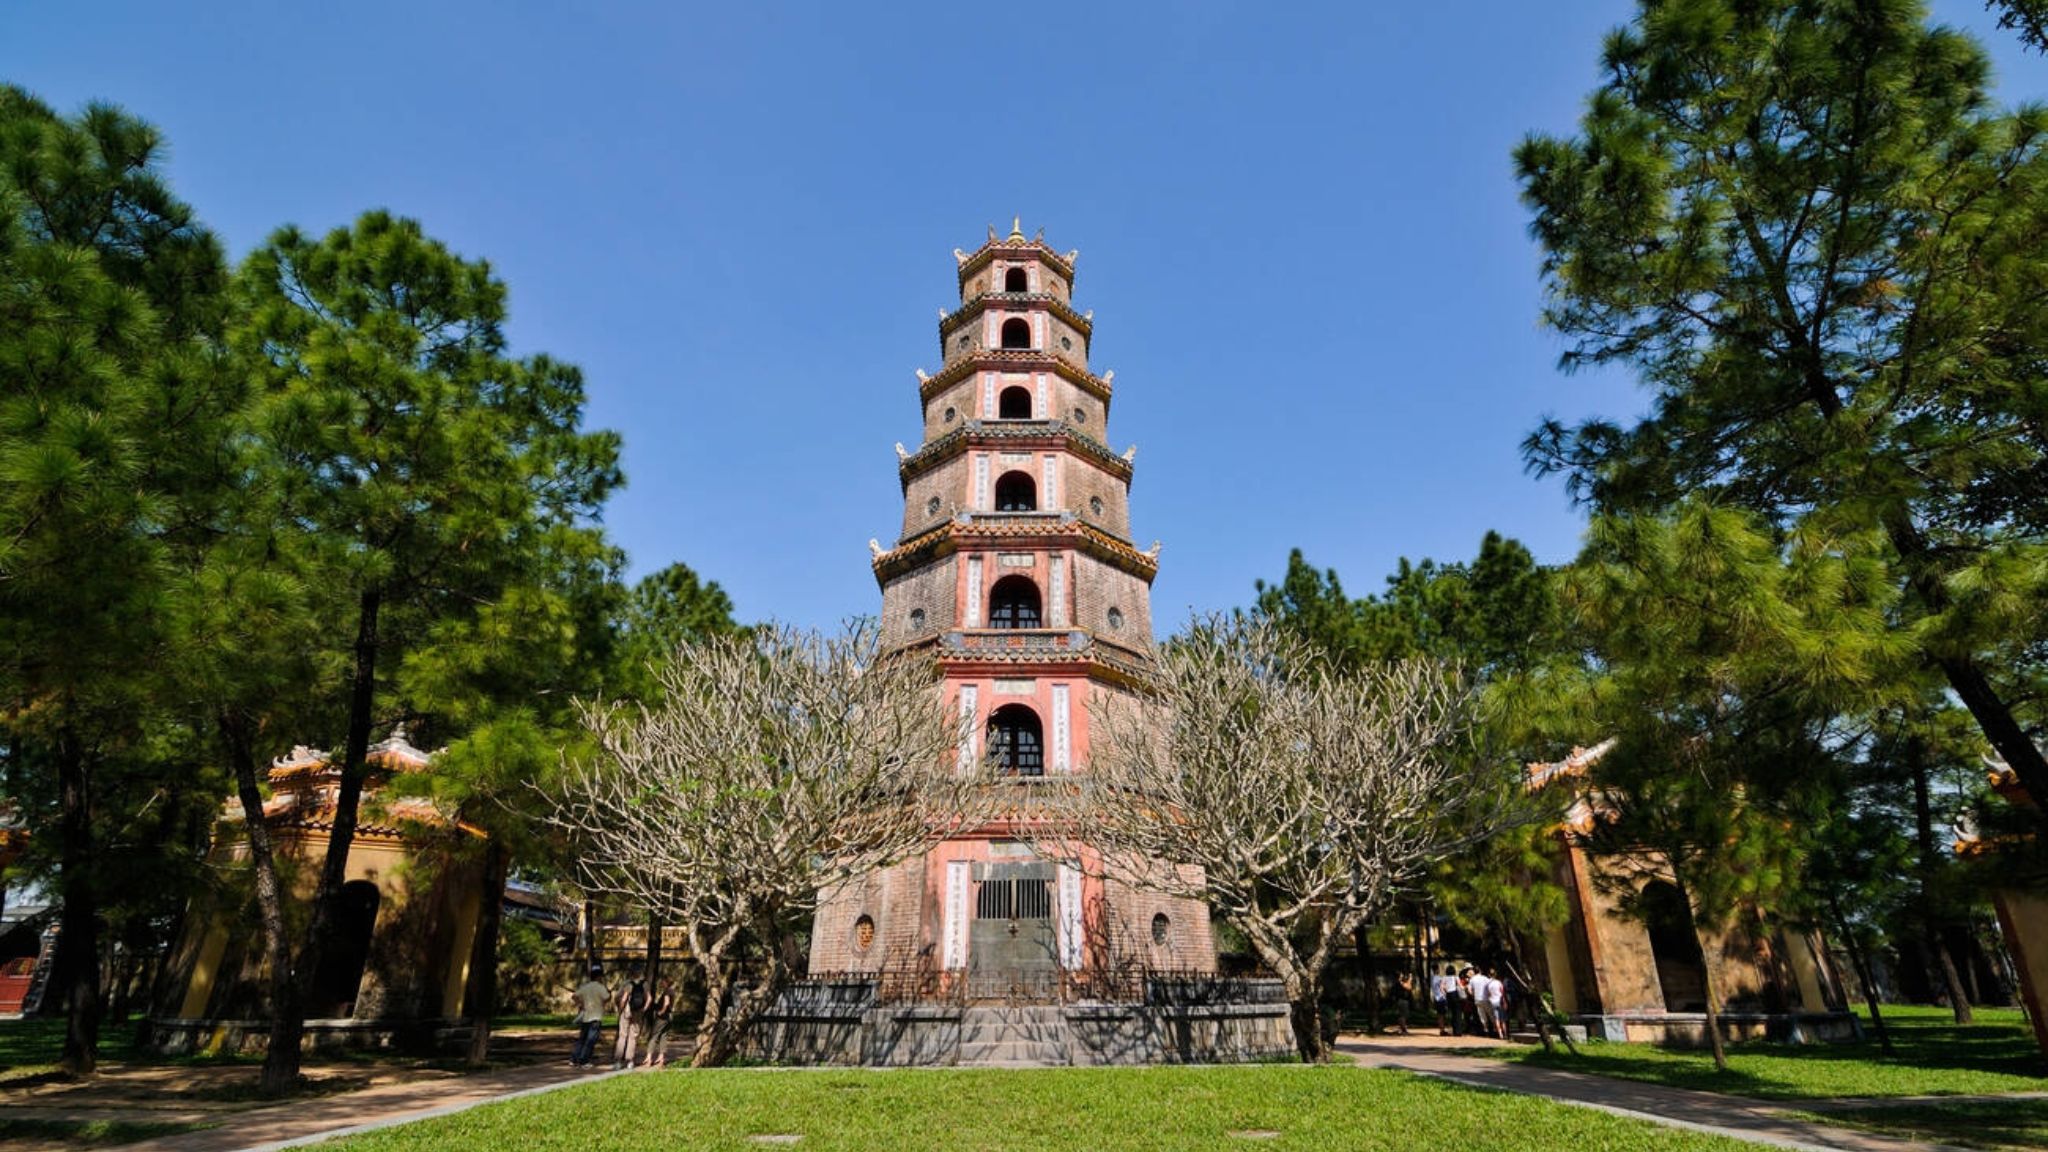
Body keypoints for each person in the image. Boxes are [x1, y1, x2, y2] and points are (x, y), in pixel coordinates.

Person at [570, 964, 608, 1068]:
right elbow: (606, 998)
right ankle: (584, 1060)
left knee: (582, 1039)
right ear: (599, 976)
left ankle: (574, 1058)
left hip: (586, 1016)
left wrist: (581, 1004)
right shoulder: (600, 987)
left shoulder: (585, 987)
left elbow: (574, 996)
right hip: (596, 1017)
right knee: (591, 1040)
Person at [613, 972, 648, 1070]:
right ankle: (630, 1061)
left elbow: (622, 999)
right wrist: (643, 1009)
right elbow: (649, 998)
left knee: (623, 1035)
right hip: (638, 1013)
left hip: (626, 1012)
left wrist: (620, 1010)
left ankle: (618, 1061)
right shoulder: (645, 984)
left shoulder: (627, 984)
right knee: (633, 1037)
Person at [641, 977, 677, 1068]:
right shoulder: (672, 991)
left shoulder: (667, 992)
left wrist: (662, 1011)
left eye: (662, 982)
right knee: (663, 1036)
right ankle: (661, 1058)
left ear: (666, 982)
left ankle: (649, 1058)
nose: (661, 984)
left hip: (663, 1017)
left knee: (654, 1036)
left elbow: (667, 1002)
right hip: (669, 1017)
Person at [1470, 967, 1496, 1040]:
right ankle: (1494, 1030)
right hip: (1486, 998)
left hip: (1477, 999)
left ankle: (1486, 1031)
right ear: (1480, 971)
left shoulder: (1472, 979)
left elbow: (1469, 990)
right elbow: (1490, 986)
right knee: (1490, 1015)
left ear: (1474, 972)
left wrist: (1473, 995)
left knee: (1482, 1016)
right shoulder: (1485, 978)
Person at [1485, 967, 1509, 1040]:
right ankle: (1505, 1034)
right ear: (1495, 975)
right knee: (1503, 1019)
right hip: (1500, 1001)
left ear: (1489, 975)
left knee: (1496, 1019)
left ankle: (1500, 1034)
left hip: (1492, 1002)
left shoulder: (1488, 984)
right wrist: (1505, 1002)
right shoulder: (1498, 982)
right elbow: (1502, 992)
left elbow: (1488, 993)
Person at [1433, 964, 1456, 1035]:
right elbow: (1443, 987)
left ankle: (1441, 1029)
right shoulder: (1439, 978)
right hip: (1441, 998)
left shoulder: (1433, 978)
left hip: (1436, 997)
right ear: (1436, 970)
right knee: (1442, 1015)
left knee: (1440, 1015)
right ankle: (1442, 1030)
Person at [1392, 970, 1415, 1036]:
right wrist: (1410, 979)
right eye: (1401, 975)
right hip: (1402, 1001)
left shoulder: (1397, 983)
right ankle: (1403, 1030)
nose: (1402, 975)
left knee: (1401, 1015)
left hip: (1399, 1000)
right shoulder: (1400, 983)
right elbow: (1409, 987)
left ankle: (1402, 1029)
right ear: (1399, 976)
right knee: (1403, 1016)